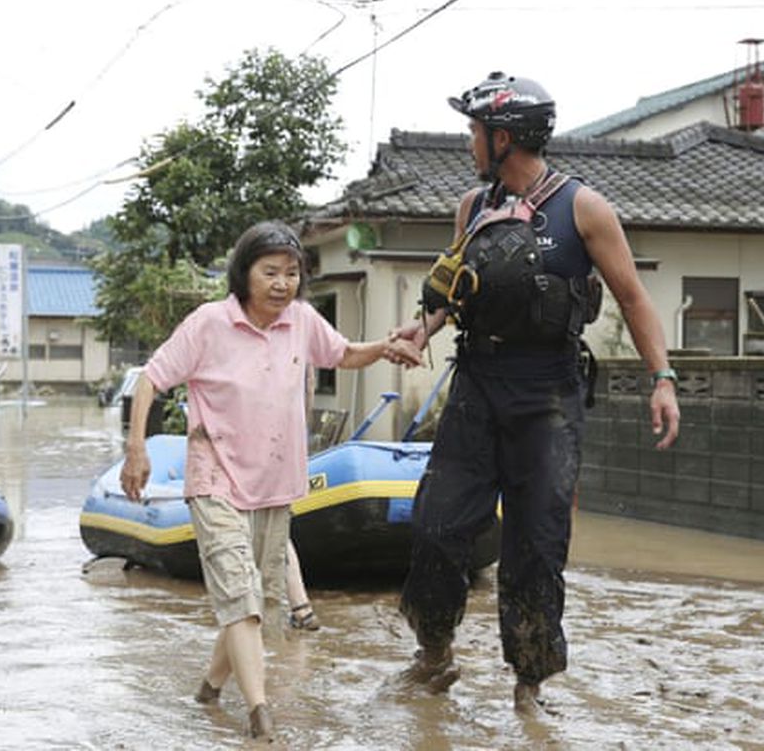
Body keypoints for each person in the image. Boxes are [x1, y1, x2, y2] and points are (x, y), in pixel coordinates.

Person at [386, 72, 681, 712]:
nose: (469, 142)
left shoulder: (584, 209)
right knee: (437, 527)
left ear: (504, 137)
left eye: (475, 131)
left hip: (548, 394)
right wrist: (421, 328)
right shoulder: (472, 207)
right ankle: (433, 656)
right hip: (476, 386)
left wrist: (663, 379)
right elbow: (453, 289)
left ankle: (529, 687)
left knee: (536, 545)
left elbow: (633, 298)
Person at [120, 220, 420, 740]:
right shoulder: (210, 323)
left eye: (291, 273)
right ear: (245, 273)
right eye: (270, 272)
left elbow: (343, 353)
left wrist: (386, 347)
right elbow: (152, 377)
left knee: (253, 597)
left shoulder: (301, 320)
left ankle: (209, 691)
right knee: (240, 594)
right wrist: (136, 447)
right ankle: (259, 713)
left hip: (275, 481)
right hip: (214, 472)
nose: (282, 283)